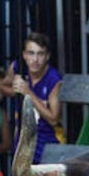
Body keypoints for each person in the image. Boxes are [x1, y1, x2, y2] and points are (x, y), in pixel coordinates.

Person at [6, 32, 63, 162]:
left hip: (47, 145)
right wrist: (15, 90)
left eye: (40, 54)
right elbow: (2, 87)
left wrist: (28, 93)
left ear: (47, 56)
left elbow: (54, 119)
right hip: (22, 142)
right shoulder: (17, 67)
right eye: (31, 53)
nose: (35, 59)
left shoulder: (54, 79)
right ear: (24, 55)